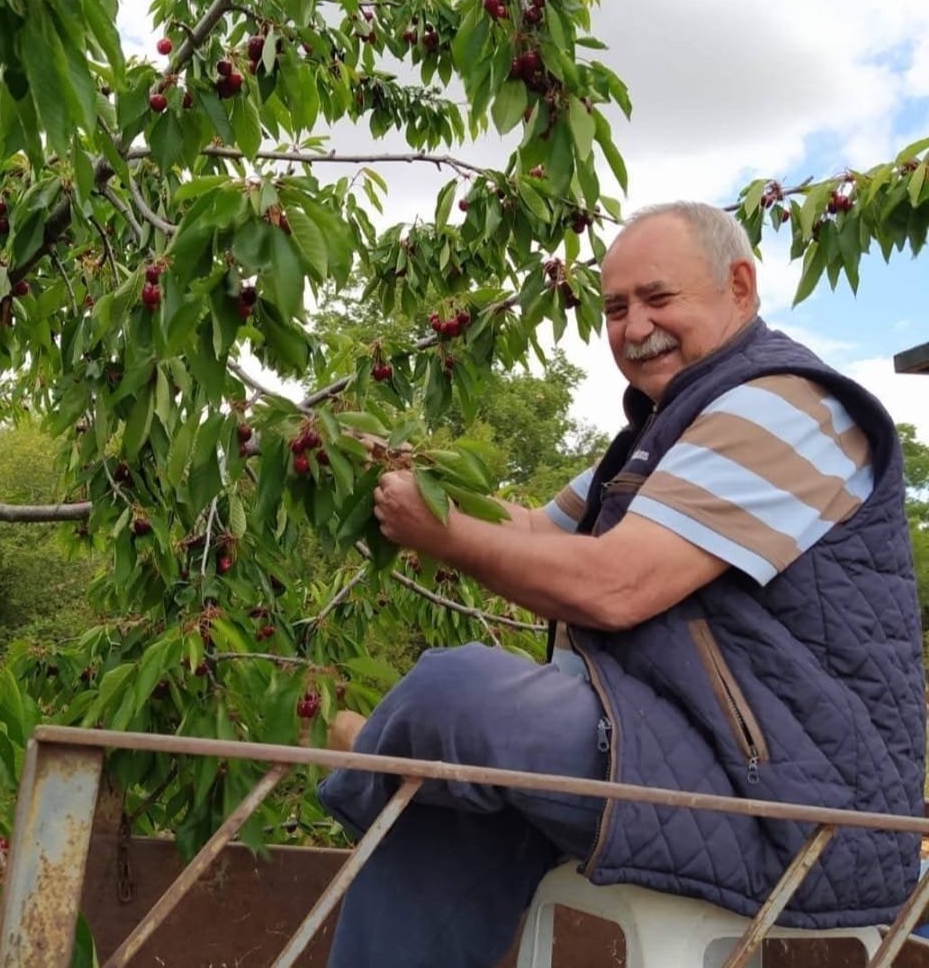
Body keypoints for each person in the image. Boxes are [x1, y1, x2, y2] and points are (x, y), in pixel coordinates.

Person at [316, 201, 926, 968]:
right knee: (448, 806)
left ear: (740, 286)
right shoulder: (663, 435)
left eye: (658, 299)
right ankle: (393, 758)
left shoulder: (789, 407)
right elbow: (539, 532)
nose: (634, 328)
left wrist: (440, 534)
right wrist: (417, 481)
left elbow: (615, 586)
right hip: (681, 746)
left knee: (455, 690)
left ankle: (370, 756)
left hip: (797, 803)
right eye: (614, 308)